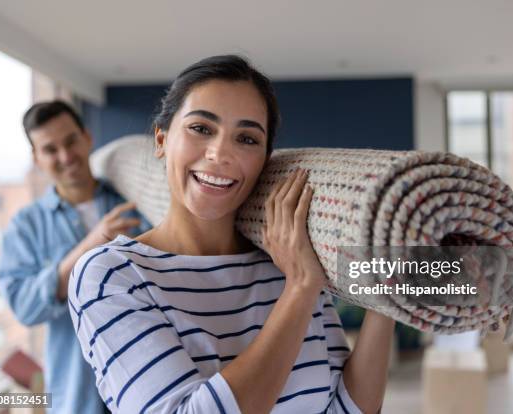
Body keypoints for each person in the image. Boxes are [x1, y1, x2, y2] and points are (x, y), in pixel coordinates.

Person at [69, 55, 394, 414]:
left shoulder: (286, 256)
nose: (220, 153)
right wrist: (300, 290)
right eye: (201, 129)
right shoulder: (111, 274)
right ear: (161, 140)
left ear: (264, 161)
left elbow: (346, 410)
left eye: (247, 138)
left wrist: (391, 296)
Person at [0, 100, 151, 414]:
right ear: (37, 158)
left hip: (145, 383)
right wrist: (90, 245)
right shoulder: (25, 225)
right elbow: (25, 308)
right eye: (51, 150)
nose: (65, 157)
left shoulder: (134, 200)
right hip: (77, 397)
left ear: (87, 137)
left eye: (70, 142)